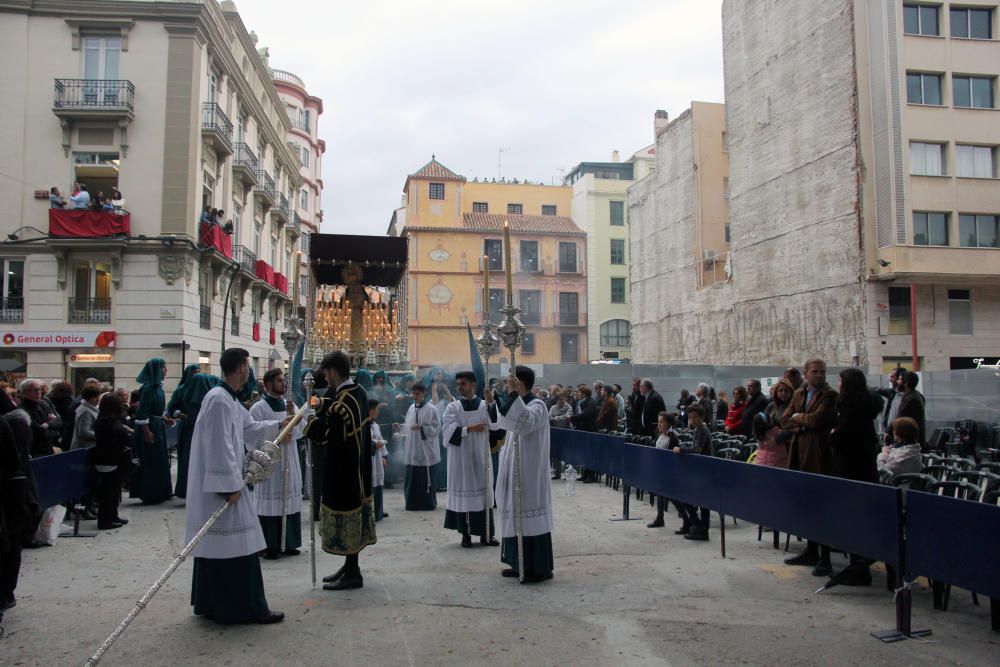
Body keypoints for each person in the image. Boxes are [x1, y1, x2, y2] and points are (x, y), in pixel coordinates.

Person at [186, 347, 288, 624]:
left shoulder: (227, 399)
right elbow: (219, 447)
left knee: (220, 546)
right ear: (242, 368)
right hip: (223, 488)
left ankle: (212, 602)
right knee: (240, 544)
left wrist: (283, 424)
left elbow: (250, 428)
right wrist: (229, 486)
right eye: (248, 366)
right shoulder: (219, 401)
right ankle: (247, 607)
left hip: (226, 484)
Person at [305, 351, 376, 592]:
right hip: (358, 468)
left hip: (345, 471)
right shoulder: (358, 392)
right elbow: (334, 406)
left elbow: (330, 437)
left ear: (333, 371)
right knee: (353, 515)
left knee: (349, 517)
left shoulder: (345, 402)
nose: (324, 378)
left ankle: (353, 572)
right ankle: (348, 566)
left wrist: (309, 422)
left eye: (325, 373)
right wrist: (317, 403)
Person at [489, 366, 554, 584]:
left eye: (510, 381)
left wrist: (514, 396)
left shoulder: (538, 406)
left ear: (519, 382)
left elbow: (524, 424)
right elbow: (500, 422)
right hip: (513, 466)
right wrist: (492, 402)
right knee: (513, 512)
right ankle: (518, 563)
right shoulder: (518, 402)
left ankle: (536, 567)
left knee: (528, 514)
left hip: (529, 471)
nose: (507, 383)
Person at [826, 368, 883, 586]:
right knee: (859, 518)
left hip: (850, 467)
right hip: (864, 466)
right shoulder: (867, 405)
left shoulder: (851, 406)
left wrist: (833, 436)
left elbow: (842, 435)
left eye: (840, 381)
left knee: (853, 518)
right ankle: (859, 565)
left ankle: (859, 568)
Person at [781, 358, 838, 577]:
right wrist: (800, 422)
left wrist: (798, 419)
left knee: (821, 507)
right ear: (806, 373)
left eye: (823, 372)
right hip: (799, 452)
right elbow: (785, 419)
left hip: (819, 455)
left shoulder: (830, 395)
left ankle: (825, 557)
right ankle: (811, 549)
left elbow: (818, 421)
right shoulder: (799, 394)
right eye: (815, 372)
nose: (820, 375)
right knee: (806, 505)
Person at [248, 369, 304, 559]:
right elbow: (253, 434)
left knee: (289, 497)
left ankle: (289, 542)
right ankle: (270, 544)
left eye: (283, 380)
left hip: (290, 456)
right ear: (269, 384)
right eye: (279, 381)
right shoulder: (259, 408)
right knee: (271, 500)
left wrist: (293, 425)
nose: (283, 384)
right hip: (271, 459)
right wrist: (278, 433)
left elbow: (301, 430)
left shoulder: (290, 405)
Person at [442, 371, 498, 548]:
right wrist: (469, 429)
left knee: (483, 496)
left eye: (463, 384)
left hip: (480, 456)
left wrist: (491, 402)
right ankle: (465, 534)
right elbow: (447, 432)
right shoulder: (453, 407)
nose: (459, 387)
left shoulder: (483, 405)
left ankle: (486, 534)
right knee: (464, 495)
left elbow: (496, 424)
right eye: (457, 384)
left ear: (473, 384)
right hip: (460, 458)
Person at [1, 410, 36, 614]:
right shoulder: (11, 420)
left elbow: (14, 463)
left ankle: (6, 593)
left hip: (10, 497)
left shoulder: (11, 421)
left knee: (10, 548)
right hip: (12, 496)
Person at [132, 359, 174, 504]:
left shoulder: (157, 388)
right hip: (150, 428)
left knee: (160, 460)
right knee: (152, 461)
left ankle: (162, 491)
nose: (166, 370)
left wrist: (163, 419)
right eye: (163, 367)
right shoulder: (148, 389)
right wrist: (146, 431)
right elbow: (142, 412)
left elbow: (154, 410)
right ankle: (151, 493)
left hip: (157, 425)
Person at [398, 382, 441, 511]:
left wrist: (422, 428)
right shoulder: (411, 408)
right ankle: (412, 503)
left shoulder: (432, 409)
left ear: (424, 394)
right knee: (413, 476)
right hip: (413, 448)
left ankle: (427, 503)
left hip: (425, 449)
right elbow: (408, 426)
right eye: (414, 393)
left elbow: (437, 428)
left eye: (418, 393)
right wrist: (400, 428)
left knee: (424, 477)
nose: (415, 396)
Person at [673, 404, 713, 540]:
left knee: (692, 499)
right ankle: (700, 527)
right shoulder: (699, 430)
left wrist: (682, 449)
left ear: (701, 417)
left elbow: (697, 450)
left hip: (703, 471)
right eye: (690, 418)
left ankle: (700, 527)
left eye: (695, 417)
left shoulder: (702, 430)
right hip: (701, 470)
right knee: (701, 503)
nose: (692, 420)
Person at [92, 394, 131, 530]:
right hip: (112, 459)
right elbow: (122, 439)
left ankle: (113, 516)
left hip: (103, 458)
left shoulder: (101, 421)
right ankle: (106, 520)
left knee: (112, 492)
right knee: (110, 493)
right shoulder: (112, 423)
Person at [167, 364, 201, 498]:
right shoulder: (181, 390)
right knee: (187, 458)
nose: (196, 375)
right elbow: (172, 408)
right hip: (187, 428)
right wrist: (181, 414)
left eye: (198, 372)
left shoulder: (203, 388)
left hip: (198, 427)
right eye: (194, 373)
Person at [648, 412, 679, 528]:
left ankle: (686, 516)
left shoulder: (673, 438)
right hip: (660, 469)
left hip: (668, 470)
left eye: (662, 422)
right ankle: (660, 518)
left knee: (673, 497)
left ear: (669, 424)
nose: (659, 424)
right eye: (658, 422)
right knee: (661, 494)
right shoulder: (659, 435)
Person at [754, 379, 794, 468]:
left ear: (791, 392)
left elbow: (794, 427)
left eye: (786, 391)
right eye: (781, 390)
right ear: (776, 392)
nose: (783, 393)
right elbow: (762, 422)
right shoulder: (771, 405)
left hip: (788, 446)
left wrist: (779, 437)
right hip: (770, 446)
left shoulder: (794, 406)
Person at [18, 380, 60, 457]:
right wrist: (52, 429)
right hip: (35, 452)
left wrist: (47, 424)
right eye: (34, 390)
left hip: (49, 449)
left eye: (39, 389)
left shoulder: (43, 404)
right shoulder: (22, 410)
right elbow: (40, 433)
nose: (38, 392)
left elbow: (59, 422)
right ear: (24, 392)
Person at [873, 367, 906, 445]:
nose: (890, 379)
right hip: (892, 434)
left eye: (892, 377)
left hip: (899, 435)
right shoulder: (893, 393)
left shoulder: (904, 397)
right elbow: (877, 390)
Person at [369, 400, 389, 522]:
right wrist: (374, 445)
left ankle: (378, 510)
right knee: (371, 485)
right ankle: (372, 512)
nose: (377, 412)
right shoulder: (363, 425)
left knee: (378, 485)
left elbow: (380, 439)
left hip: (377, 459)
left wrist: (383, 457)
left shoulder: (375, 425)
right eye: (375, 409)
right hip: (369, 460)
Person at [896, 371, 926, 448]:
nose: (897, 382)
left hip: (909, 443)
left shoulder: (909, 399)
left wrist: (889, 431)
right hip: (914, 441)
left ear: (906, 383)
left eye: (900, 380)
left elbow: (900, 420)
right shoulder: (917, 395)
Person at [70, 385, 100, 450]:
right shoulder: (86, 412)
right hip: (84, 448)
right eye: (95, 397)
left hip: (87, 447)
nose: (98, 399)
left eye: (98, 396)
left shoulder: (87, 408)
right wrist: (101, 435)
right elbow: (84, 432)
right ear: (88, 398)